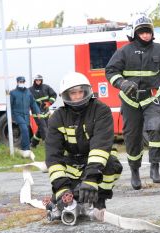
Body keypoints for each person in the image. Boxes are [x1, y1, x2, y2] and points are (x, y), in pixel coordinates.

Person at [105, 14, 160, 190]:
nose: (146, 35)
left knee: (157, 127)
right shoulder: (124, 52)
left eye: (148, 31)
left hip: (151, 98)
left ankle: (155, 168)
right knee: (132, 138)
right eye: (142, 32)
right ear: (135, 33)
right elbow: (110, 71)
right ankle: (135, 172)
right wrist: (122, 83)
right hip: (130, 101)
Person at [45, 72, 122, 211]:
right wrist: (62, 187)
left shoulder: (101, 110)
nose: (78, 96)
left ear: (88, 91)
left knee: (111, 164)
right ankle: (74, 198)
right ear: (65, 96)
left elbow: (100, 145)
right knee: (65, 200)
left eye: (81, 91)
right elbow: (53, 156)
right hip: (73, 162)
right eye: (73, 93)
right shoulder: (57, 118)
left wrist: (91, 179)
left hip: (98, 162)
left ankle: (100, 201)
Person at [10, 76, 40, 158]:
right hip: (17, 114)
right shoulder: (13, 93)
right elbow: (9, 106)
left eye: (23, 82)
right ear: (17, 82)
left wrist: (37, 112)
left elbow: (33, 103)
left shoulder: (28, 92)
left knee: (26, 131)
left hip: (26, 115)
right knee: (24, 129)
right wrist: (10, 117)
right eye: (20, 82)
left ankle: (23, 148)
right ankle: (26, 149)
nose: (21, 83)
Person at [29, 74, 57, 148]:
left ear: (41, 80)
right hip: (37, 113)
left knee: (43, 128)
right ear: (34, 81)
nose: (38, 82)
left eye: (39, 80)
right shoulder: (30, 90)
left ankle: (33, 143)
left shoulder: (46, 87)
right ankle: (49, 145)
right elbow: (28, 101)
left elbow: (54, 95)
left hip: (46, 111)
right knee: (43, 128)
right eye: (37, 80)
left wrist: (49, 103)